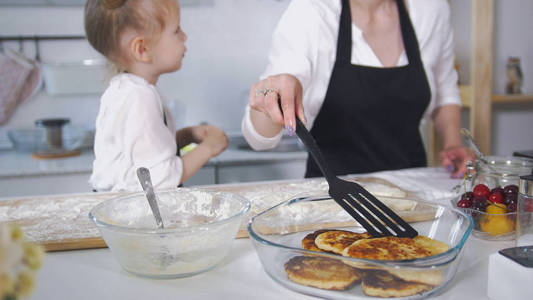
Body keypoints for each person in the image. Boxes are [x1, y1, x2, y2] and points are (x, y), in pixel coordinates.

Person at [242, 0, 474, 179]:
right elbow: (260, 140)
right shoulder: (313, 11)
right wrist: (269, 97)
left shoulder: (431, 8)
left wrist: (453, 143)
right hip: (330, 198)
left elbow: (444, 86)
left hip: (412, 194)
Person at [85, 0, 228, 191]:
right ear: (142, 50)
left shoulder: (127, 89)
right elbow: (161, 179)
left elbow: (143, 153)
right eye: (176, 30)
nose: (185, 36)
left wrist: (185, 137)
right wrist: (208, 148)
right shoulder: (140, 98)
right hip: (131, 213)